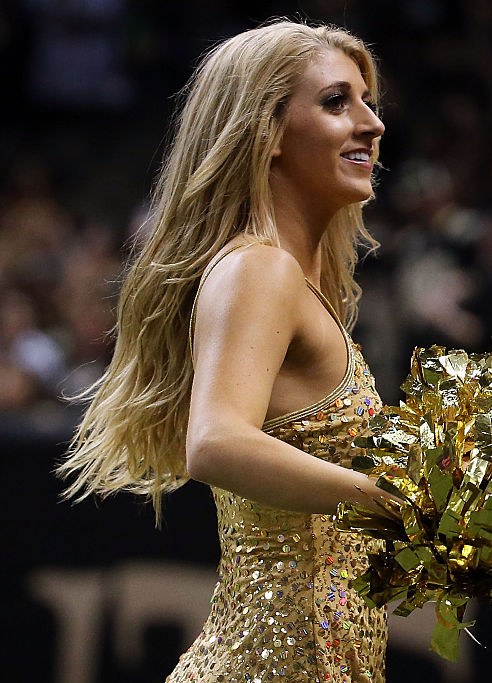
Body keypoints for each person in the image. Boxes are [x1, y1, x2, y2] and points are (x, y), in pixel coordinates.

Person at [55, 20, 398, 683]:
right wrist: (386, 498)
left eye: (368, 101)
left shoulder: (286, 278)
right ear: (266, 131)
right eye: (336, 102)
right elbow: (214, 441)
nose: (372, 123)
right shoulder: (260, 271)